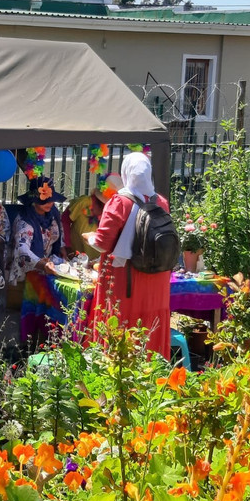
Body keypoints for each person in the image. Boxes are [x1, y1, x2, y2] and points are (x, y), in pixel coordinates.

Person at [86, 152, 172, 357]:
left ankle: (117, 377)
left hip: (125, 280)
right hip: (156, 278)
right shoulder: (161, 202)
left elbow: (101, 244)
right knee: (150, 325)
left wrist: (89, 237)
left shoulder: (119, 202)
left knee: (120, 323)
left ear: (126, 173)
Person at [10, 176, 69, 347]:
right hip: (29, 271)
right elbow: (22, 250)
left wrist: (64, 252)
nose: (50, 203)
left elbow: (60, 238)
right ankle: (30, 343)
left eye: (51, 200)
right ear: (33, 200)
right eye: (45, 200)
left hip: (49, 267)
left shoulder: (53, 214)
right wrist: (42, 264)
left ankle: (48, 340)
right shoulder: (24, 221)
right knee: (34, 309)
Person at [61, 174, 111, 261]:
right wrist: (67, 245)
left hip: (98, 257)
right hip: (76, 253)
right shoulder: (84, 202)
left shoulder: (114, 208)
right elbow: (65, 220)